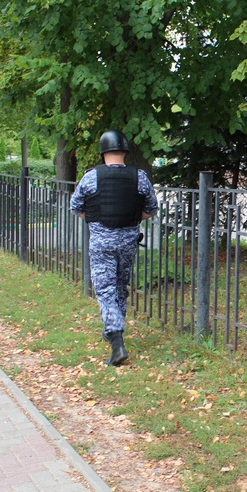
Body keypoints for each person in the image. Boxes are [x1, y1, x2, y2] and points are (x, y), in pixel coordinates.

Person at [70, 130, 158, 366]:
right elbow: (151, 209)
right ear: (125, 151)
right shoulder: (139, 177)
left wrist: (98, 219)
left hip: (101, 243)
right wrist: (129, 217)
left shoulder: (90, 177)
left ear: (103, 152)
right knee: (120, 285)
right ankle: (113, 329)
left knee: (105, 289)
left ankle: (116, 339)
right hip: (129, 242)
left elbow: (76, 207)